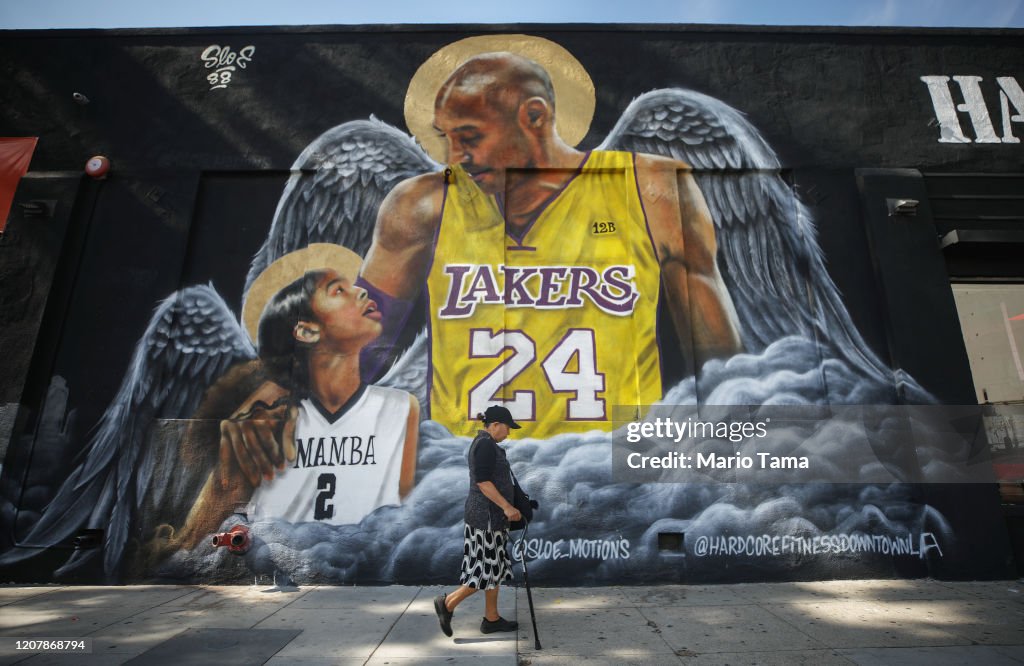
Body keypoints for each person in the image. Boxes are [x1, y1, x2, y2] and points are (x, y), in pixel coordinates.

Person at [359, 51, 743, 439]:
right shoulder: (422, 206)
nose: (456, 157)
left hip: (612, 475)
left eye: (470, 137)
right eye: (448, 138)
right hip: (468, 472)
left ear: (535, 116)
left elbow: (722, 372)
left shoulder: (650, 189)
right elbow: (352, 351)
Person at [174, 261, 420, 547]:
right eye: (338, 290)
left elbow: (403, 516)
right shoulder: (267, 418)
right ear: (307, 332)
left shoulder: (401, 407)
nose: (361, 292)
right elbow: (201, 532)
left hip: (363, 561)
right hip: (279, 564)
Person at [434, 404, 522, 637]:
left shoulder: (487, 444)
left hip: (489, 518)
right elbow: (483, 482)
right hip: (487, 519)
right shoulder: (485, 445)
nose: (509, 433)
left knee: (494, 568)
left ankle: (491, 619)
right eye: (507, 427)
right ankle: (448, 603)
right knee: (483, 571)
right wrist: (507, 506)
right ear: (495, 425)